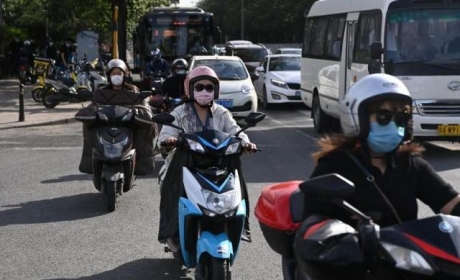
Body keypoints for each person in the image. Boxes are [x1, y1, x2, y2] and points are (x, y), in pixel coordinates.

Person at [303, 73, 460, 228]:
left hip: (406, 252)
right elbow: (311, 227)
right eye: (383, 116)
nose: (393, 124)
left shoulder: (410, 164)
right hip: (354, 252)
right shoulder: (334, 166)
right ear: (357, 117)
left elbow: (449, 202)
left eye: (400, 117)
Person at [156, 66, 257, 243]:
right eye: (199, 87)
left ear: (216, 90)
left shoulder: (222, 112)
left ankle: (239, 225)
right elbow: (164, 136)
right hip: (185, 163)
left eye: (209, 88)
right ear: (190, 89)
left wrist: (246, 143)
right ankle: (172, 232)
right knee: (170, 187)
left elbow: (236, 131)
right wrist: (168, 140)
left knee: (238, 181)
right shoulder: (180, 112)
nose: (204, 91)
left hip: (218, 164)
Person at [75, 58, 157, 179]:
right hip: (105, 125)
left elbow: (143, 106)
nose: (116, 76)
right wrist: (93, 112)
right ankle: (90, 163)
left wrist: (137, 111)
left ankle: (141, 163)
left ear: (125, 75)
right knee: (88, 124)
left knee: (148, 127)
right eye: (114, 73)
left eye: (119, 73)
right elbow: (93, 106)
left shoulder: (133, 91)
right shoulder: (101, 92)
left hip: (128, 125)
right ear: (109, 76)